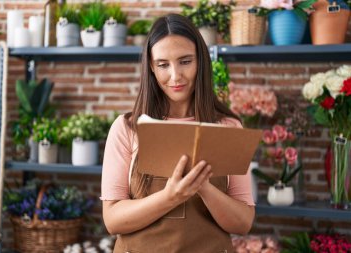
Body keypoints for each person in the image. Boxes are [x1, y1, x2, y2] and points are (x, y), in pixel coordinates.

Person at [101, 13, 255, 253]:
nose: (175, 76)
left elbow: (243, 222)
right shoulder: (127, 128)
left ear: (200, 62)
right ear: (151, 67)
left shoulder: (228, 127)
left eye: (185, 61)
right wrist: (171, 196)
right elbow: (112, 220)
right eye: (163, 64)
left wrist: (203, 187)